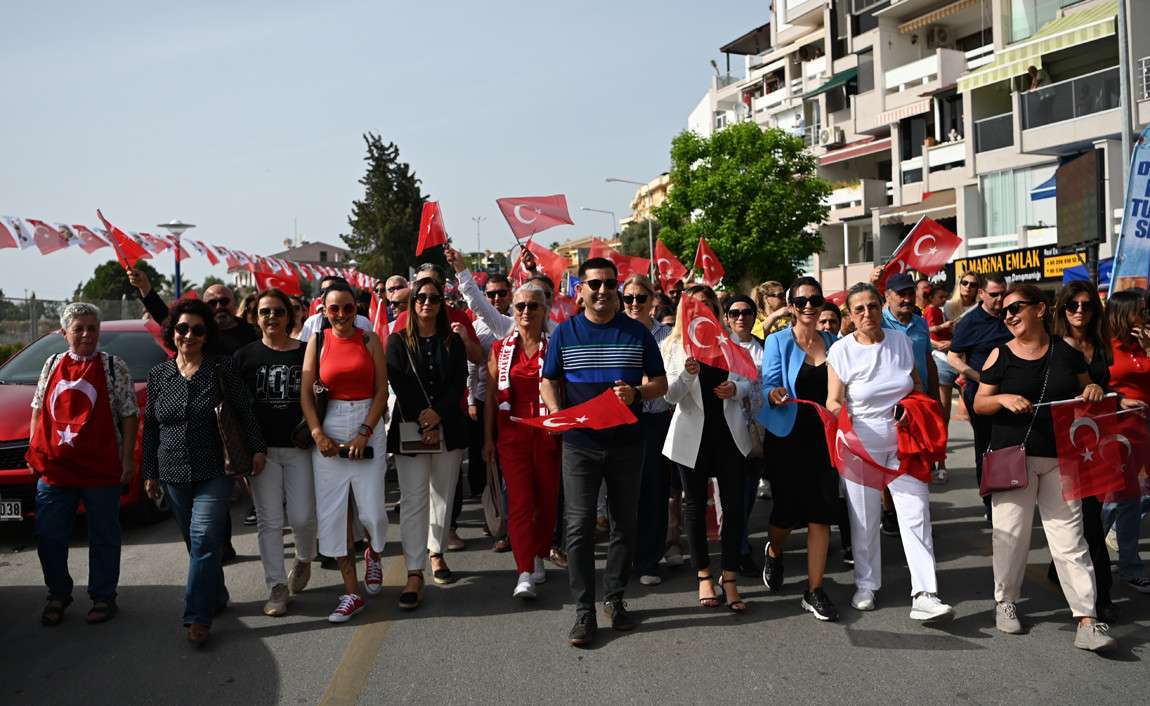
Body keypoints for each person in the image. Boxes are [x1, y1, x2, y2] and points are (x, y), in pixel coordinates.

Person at [973, 283, 1117, 652]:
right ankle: (1005, 600)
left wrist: (1093, 392)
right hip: (1013, 457)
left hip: (1061, 458)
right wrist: (1002, 397)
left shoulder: (1067, 352)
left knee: (1070, 540)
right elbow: (980, 404)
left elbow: (1088, 392)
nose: (1009, 315)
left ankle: (1087, 619)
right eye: (1004, 311)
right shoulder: (999, 355)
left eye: (1016, 307)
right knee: (1011, 535)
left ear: (1040, 309)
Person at [541, 257, 668, 647]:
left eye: (609, 284)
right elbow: (549, 379)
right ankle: (584, 610)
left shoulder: (638, 333)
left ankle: (615, 597)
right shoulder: (565, 333)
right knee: (578, 527)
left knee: (623, 525)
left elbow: (660, 383)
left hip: (627, 443)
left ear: (617, 288)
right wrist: (558, 413)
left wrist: (637, 393)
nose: (602, 291)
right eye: (594, 284)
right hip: (580, 445)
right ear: (580, 290)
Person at [827, 283, 954, 622]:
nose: (866, 314)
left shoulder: (901, 341)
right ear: (850, 316)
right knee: (864, 518)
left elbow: (915, 383)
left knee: (916, 513)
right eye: (859, 309)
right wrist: (844, 419)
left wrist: (912, 406)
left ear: (881, 306)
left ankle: (926, 592)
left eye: (871, 306)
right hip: (861, 445)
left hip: (904, 440)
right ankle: (866, 585)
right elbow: (833, 399)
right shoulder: (841, 350)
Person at [142, 299, 267, 646]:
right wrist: (150, 472)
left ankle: (198, 616)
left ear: (206, 334)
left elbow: (243, 410)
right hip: (172, 472)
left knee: (204, 540)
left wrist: (257, 448)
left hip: (213, 469)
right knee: (196, 544)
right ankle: (217, 594)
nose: (190, 335)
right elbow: (151, 427)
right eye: (183, 328)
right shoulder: (159, 375)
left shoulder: (221, 369)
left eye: (198, 329)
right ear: (173, 333)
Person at [27, 302, 138, 626]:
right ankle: (58, 594)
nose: (87, 334)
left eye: (92, 328)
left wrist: (127, 458)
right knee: (49, 535)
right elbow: (37, 410)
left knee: (104, 536)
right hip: (55, 471)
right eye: (79, 328)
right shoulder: (52, 364)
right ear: (65, 333)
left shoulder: (113, 367)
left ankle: (104, 597)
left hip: (101, 470)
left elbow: (129, 415)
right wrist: (35, 450)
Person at [301, 282, 390, 623]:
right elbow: (307, 393)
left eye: (348, 308)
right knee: (333, 516)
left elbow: (382, 390)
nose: (340, 315)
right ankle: (351, 593)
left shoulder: (370, 340)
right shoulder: (317, 342)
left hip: (367, 422)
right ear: (323, 311)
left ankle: (375, 553)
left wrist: (366, 431)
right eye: (334, 308)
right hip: (330, 423)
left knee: (373, 514)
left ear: (357, 310)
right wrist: (317, 433)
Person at [662, 284, 751, 613]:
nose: (700, 310)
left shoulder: (728, 344)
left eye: (706, 305)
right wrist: (686, 374)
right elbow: (669, 396)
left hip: (728, 436)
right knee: (694, 505)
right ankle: (703, 575)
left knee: (734, 506)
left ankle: (729, 578)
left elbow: (747, 379)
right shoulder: (673, 346)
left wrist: (736, 389)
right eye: (694, 306)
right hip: (691, 438)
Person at [759, 278, 840, 621]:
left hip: (824, 438)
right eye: (802, 301)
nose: (809, 306)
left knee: (821, 513)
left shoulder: (836, 343)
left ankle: (814, 590)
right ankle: (774, 550)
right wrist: (774, 394)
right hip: (787, 436)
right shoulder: (778, 341)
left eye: (815, 300)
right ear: (791, 306)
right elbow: (769, 383)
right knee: (786, 513)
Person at [233, 288, 318, 617]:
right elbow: (237, 410)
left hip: (300, 449)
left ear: (291, 316)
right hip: (262, 453)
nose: (271, 317)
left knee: (301, 517)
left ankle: (304, 557)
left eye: (278, 312)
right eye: (265, 312)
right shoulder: (245, 357)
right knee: (268, 522)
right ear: (256, 317)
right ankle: (276, 587)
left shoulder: (307, 352)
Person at [386, 278, 469, 608]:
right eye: (421, 297)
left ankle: (437, 553)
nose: (427, 302)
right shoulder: (396, 341)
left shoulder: (453, 341)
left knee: (442, 496)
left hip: (448, 426)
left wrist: (438, 414)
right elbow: (399, 382)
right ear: (412, 302)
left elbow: (458, 382)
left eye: (434, 297)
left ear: (442, 303)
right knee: (414, 499)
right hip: (410, 427)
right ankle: (414, 570)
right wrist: (424, 417)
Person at [482, 282, 560, 598]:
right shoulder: (501, 349)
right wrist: (488, 438)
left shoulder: (556, 345)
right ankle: (524, 569)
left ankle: (539, 551)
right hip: (512, 434)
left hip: (547, 433)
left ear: (545, 310)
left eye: (533, 306)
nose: (526, 311)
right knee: (520, 502)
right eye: (520, 306)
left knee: (547, 501)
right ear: (513, 311)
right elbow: (490, 397)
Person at [1050, 282, 1117, 619]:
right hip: (1062, 444)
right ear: (1062, 309)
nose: (1080, 311)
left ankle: (1057, 567)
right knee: (1086, 520)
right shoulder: (1053, 347)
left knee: (1090, 514)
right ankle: (1101, 594)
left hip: (1097, 441)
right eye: (1072, 305)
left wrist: (1120, 397)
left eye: (1087, 305)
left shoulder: (1101, 345)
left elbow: (1108, 387)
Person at [620, 274, 673, 587]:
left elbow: (673, 377)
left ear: (653, 300)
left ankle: (650, 559)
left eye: (641, 297)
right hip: (620, 420)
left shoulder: (668, 336)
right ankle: (623, 557)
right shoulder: (615, 331)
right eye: (629, 298)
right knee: (623, 493)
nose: (635, 304)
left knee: (654, 491)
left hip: (655, 419)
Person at [948, 272, 1011, 519]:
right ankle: (990, 501)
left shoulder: (1013, 314)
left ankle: (1012, 495)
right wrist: (979, 377)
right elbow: (953, 356)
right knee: (987, 448)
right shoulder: (969, 322)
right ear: (982, 294)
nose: (999, 299)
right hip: (982, 396)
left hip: (1013, 393)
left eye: (1003, 293)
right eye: (994, 294)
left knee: (1013, 446)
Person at [1102, 290, 1150, 595]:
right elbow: (1094, 385)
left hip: (1144, 431)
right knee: (1111, 500)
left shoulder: (1143, 344)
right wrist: (1119, 401)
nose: (1145, 315)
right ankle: (1078, 558)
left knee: (1134, 500)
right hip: (1116, 431)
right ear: (1124, 313)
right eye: (1141, 310)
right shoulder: (1104, 346)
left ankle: (1131, 566)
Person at [724, 294, 766, 576]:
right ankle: (737, 550)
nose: (741, 317)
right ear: (726, 317)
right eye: (734, 312)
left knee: (748, 494)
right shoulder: (720, 349)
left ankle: (740, 544)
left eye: (747, 312)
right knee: (732, 497)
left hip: (757, 432)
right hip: (727, 432)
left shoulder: (766, 347)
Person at [923, 284, 957, 483]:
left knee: (943, 417)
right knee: (941, 416)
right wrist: (943, 328)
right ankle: (937, 461)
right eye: (941, 296)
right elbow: (929, 332)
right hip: (940, 359)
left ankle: (937, 461)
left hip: (949, 358)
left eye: (945, 296)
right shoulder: (930, 311)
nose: (943, 299)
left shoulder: (939, 310)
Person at [298, 275, 372, 341]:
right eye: (322, 291)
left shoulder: (363, 324)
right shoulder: (312, 323)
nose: (341, 315)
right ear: (325, 311)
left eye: (329, 290)